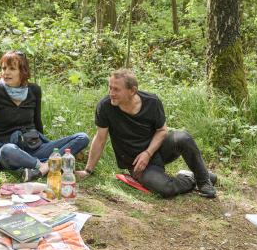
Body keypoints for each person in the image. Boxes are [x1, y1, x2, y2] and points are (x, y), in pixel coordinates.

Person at [77, 69, 217, 198]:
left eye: (116, 89)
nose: (111, 93)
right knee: (165, 189)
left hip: (157, 150)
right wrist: (87, 170)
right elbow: (100, 139)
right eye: (110, 87)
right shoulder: (106, 106)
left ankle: (204, 181)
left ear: (132, 91)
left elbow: (162, 130)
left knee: (183, 137)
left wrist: (148, 153)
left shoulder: (152, 102)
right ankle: (190, 177)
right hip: (136, 162)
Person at [0, 50, 90, 181]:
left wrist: (47, 145)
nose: (6, 72)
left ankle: (41, 168)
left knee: (82, 137)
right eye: (4, 68)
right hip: (10, 149)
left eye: (12, 68)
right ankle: (45, 166)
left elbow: (37, 121)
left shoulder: (34, 90)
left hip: (33, 145)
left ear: (23, 71)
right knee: (7, 150)